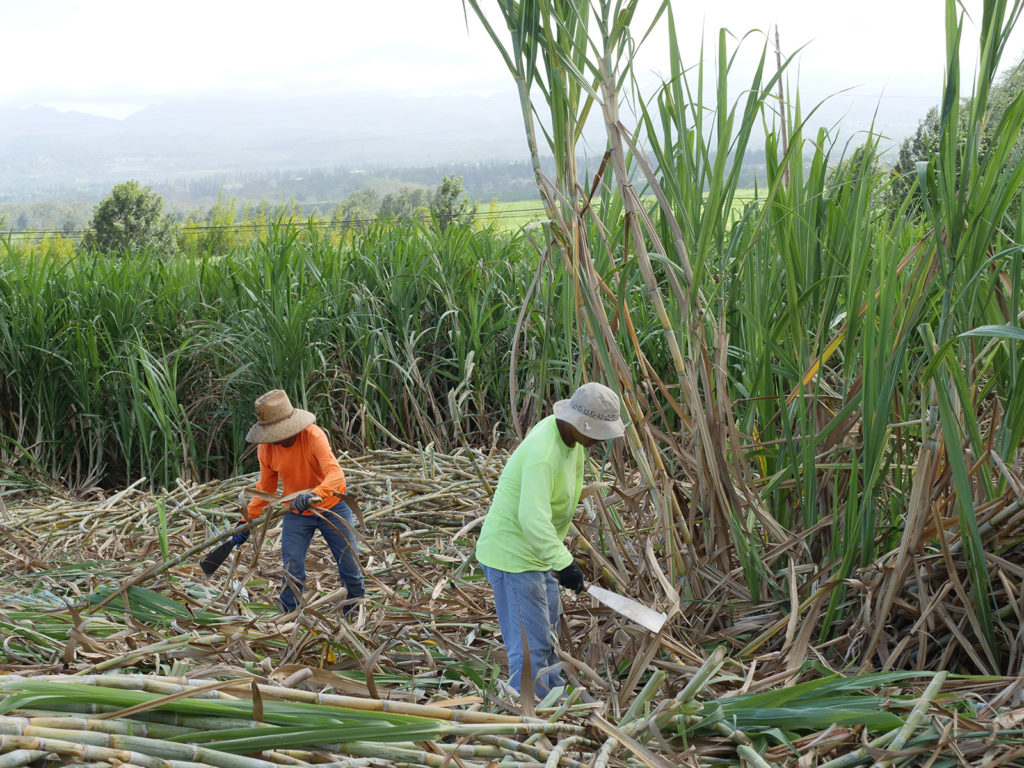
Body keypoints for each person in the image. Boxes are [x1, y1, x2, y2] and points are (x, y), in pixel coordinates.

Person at [475, 381, 625, 698]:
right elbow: (532, 517)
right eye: (597, 432)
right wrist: (565, 563)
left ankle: (552, 695)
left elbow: (562, 492)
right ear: (578, 423)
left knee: (549, 635)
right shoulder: (543, 452)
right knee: (531, 646)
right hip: (512, 556)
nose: (599, 441)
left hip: (537, 554)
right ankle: (527, 713)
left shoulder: (571, 442)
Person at [235, 389, 365, 616]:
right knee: (292, 565)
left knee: (349, 565)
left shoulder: (313, 437)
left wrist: (315, 494)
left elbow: (336, 474)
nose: (276, 437)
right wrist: (247, 519)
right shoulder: (266, 448)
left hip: (332, 506)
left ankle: (354, 610)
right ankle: (290, 614)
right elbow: (266, 487)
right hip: (296, 512)